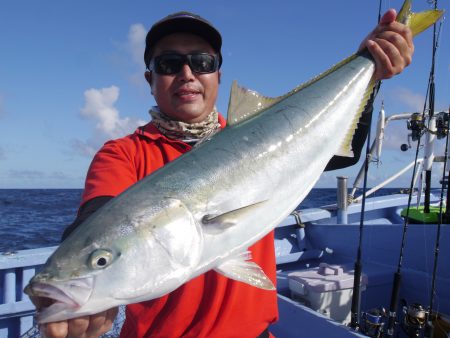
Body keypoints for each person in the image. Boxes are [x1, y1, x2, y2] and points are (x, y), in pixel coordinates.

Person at [40, 9, 414, 338]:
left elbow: (333, 156)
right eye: (168, 65)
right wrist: (87, 275)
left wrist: (372, 68)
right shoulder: (124, 154)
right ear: (149, 79)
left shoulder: (261, 134)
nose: (187, 74)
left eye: (201, 62)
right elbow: (99, 217)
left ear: (218, 74)